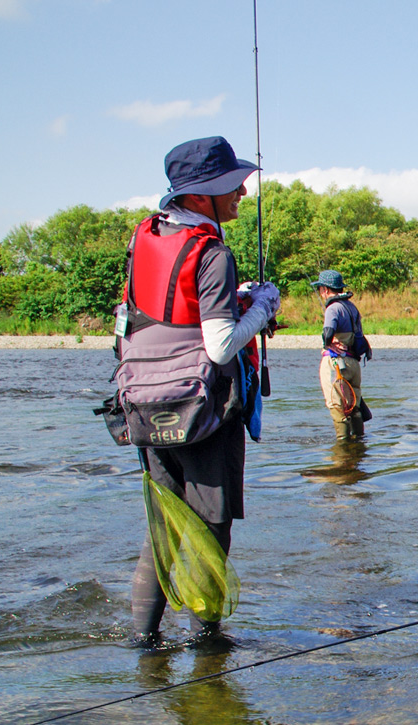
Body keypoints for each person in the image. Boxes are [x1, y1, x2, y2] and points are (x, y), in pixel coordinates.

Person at [124, 136, 280, 649]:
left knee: (164, 525)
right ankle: (206, 641)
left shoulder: (144, 240)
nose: (240, 191)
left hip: (145, 407)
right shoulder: (212, 253)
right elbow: (217, 347)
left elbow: (151, 317)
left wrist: (232, 302)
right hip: (203, 412)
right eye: (230, 185)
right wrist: (261, 307)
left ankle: (143, 643)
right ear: (198, 198)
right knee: (211, 525)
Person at [313, 270, 371, 440]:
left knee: (338, 407)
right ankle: (359, 444)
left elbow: (328, 331)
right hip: (354, 364)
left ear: (325, 289)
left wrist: (327, 343)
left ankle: (343, 448)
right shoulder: (351, 307)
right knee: (355, 406)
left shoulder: (333, 308)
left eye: (320, 289)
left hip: (337, 363)